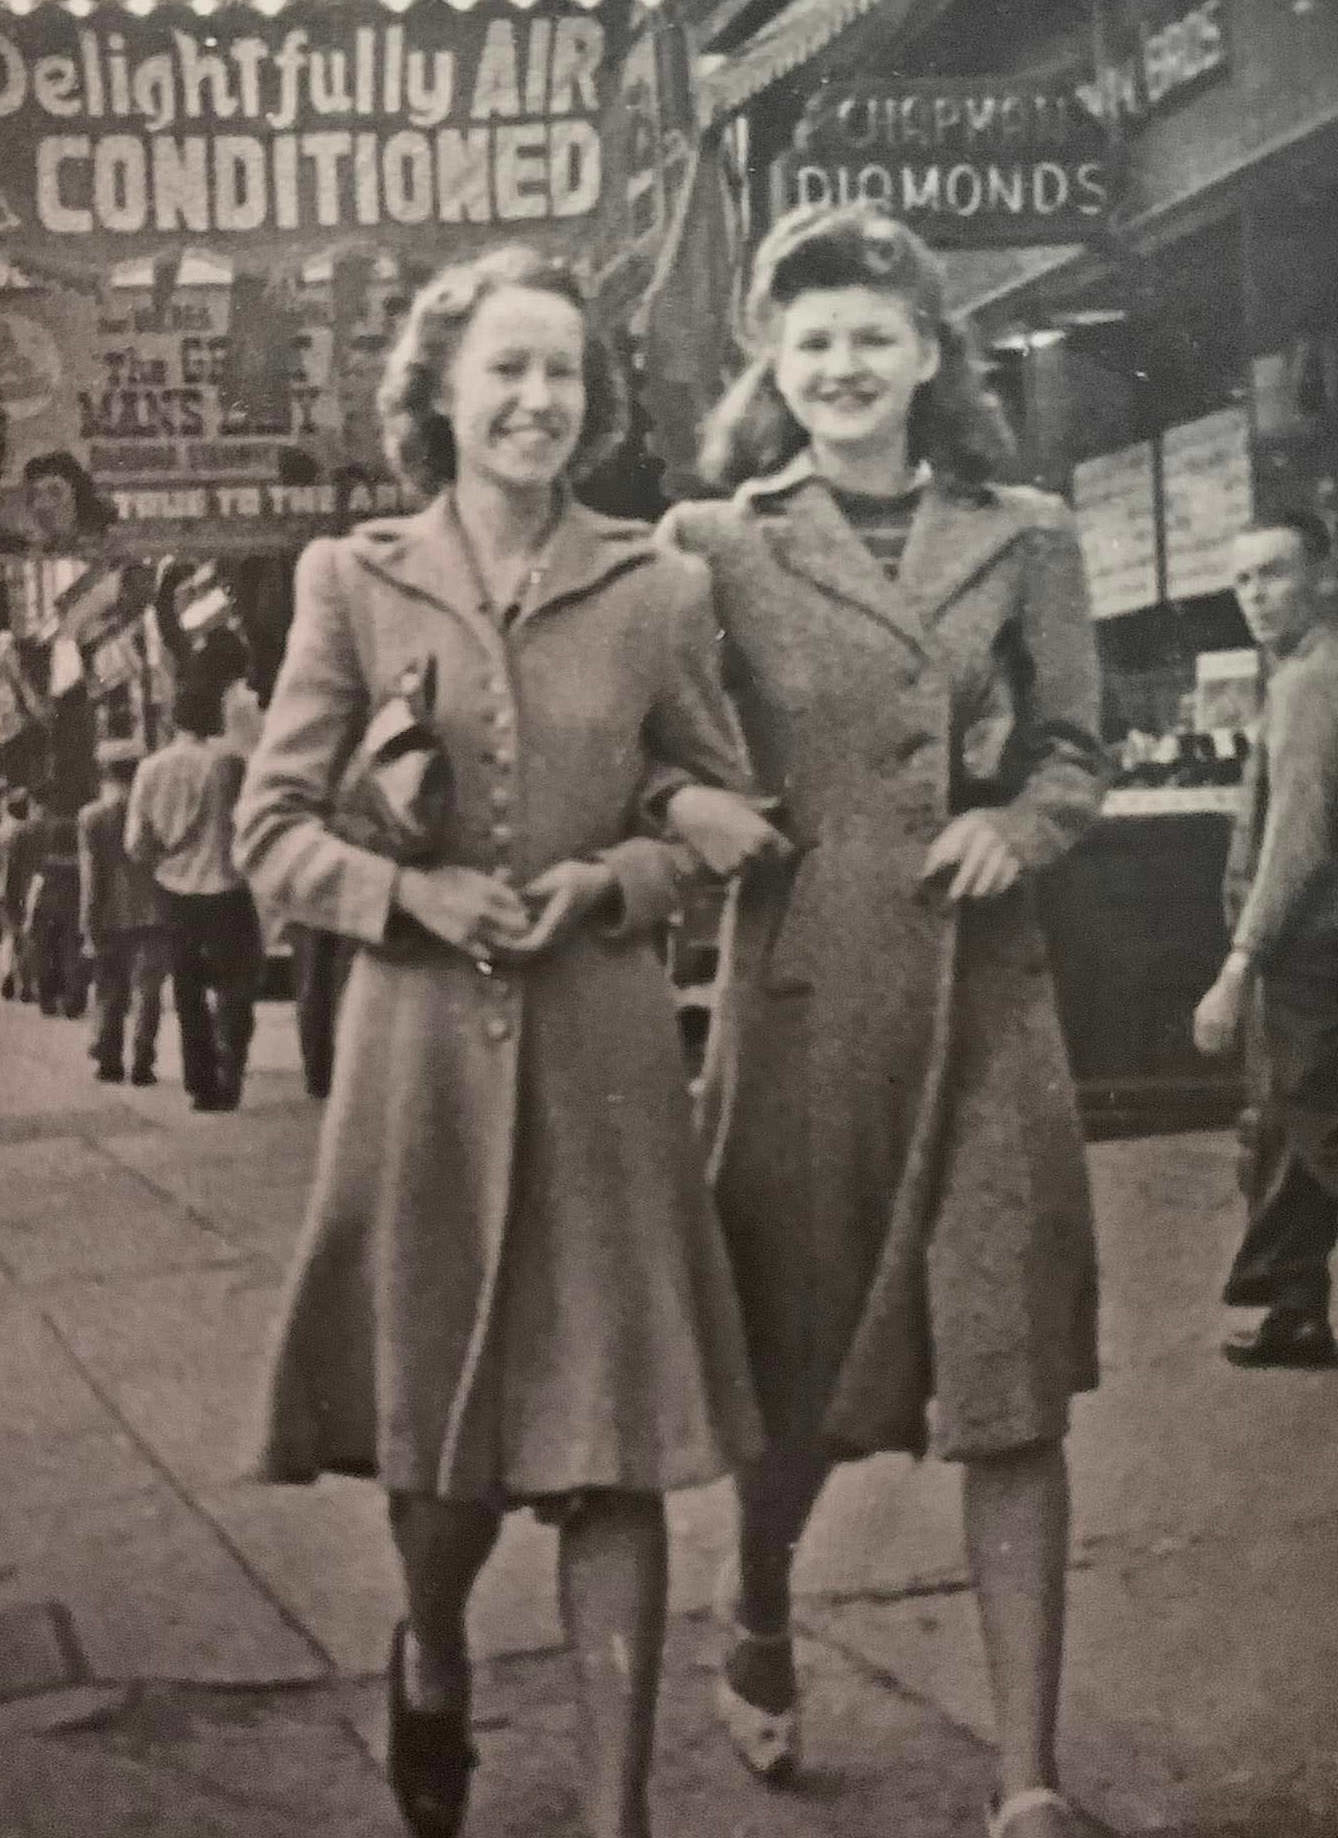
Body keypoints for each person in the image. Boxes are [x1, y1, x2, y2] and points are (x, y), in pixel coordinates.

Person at [232, 245, 766, 1838]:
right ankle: (436, 1644)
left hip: (603, 1061)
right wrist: (409, 892)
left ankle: (616, 1816)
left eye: (567, 375)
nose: (539, 399)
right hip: (418, 1068)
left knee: (616, 1450)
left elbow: (711, 804)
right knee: (439, 1460)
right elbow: (273, 830)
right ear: (441, 393)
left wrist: (615, 878)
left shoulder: (664, 584)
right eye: (507, 370)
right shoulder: (354, 576)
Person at [658, 203, 1107, 1838]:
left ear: (929, 350)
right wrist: (685, 808)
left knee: (1009, 1386)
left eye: (872, 331)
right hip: (798, 1012)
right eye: (812, 336)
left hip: (986, 1004)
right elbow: (649, 738)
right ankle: (754, 1603)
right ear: (773, 363)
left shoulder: (1031, 530)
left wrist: (1024, 824)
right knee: (792, 1384)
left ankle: (1025, 1774)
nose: (842, 362)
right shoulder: (714, 539)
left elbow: (1073, 744)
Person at [1194, 511, 1338, 1368]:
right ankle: (1295, 1309)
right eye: (1242, 578)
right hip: (1318, 946)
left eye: (1274, 574)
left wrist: (1236, 966)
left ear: (1323, 575)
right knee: (1291, 1124)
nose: (1254, 595)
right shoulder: (1304, 671)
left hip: (1311, 953)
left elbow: (1298, 839)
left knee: (1316, 1118)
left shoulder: (1308, 683)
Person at [125, 679, 263, 1112]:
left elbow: (136, 844)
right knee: (235, 986)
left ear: (171, 720)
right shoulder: (230, 766)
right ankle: (231, 1071)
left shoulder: (150, 769)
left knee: (188, 990)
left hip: (175, 894)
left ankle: (200, 1083)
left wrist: (165, 858)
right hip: (228, 890)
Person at [77, 738, 167, 1085]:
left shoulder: (92, 816)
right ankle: (143, 1061)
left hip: (109, 916)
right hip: (154, 912)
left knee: (109, 988)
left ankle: (109, 1058)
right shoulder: (153, 812)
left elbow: (91, 878)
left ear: (105, 772)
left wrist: (88, 922)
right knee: (148, 990)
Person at [28, 807, 86, 1018]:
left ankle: (48, 1000)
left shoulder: (46, 863)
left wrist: (30, 918)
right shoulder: (79, 865)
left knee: (47, 954)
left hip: (47, 911)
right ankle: (73, 1002)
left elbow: (36, 888)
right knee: (72, 956)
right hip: (73, 912)